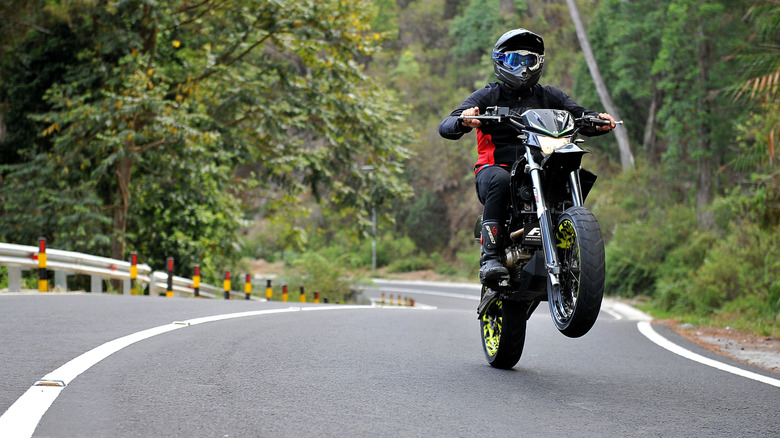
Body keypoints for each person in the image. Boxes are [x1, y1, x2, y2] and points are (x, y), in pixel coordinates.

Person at [439, 28, 615, 285]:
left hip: (544, 166)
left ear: (539, 63)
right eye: (514, 60)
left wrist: (598, 121)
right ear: (500, 62)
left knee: (575, 170)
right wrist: (464, 120)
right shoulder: (488, 95)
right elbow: (447, 124)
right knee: (499, 178)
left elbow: (580, 115)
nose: (522, 66)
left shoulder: (550, 96)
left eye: (529, 60)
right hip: (497, 168)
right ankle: (490, 258)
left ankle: (570, 242)